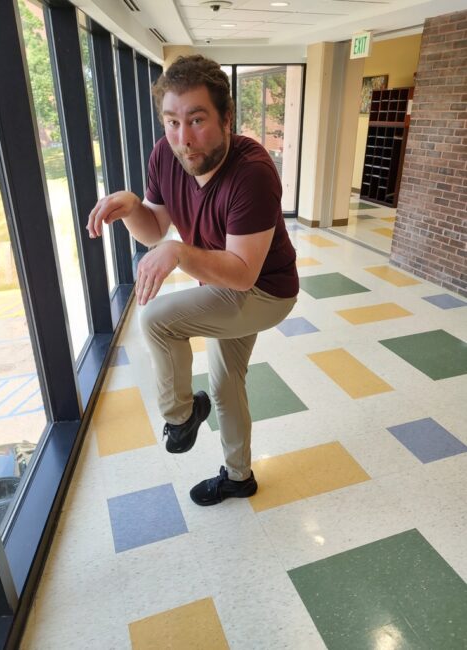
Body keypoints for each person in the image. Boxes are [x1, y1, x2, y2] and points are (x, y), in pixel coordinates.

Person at [87, 55, 299, 506]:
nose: (184, 139)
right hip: (223, 285)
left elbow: (242, 274)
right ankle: (239, 477)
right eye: (172, 122)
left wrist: (181, 252)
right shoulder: (166, 153)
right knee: (225, 384)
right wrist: (130, 208)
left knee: (159, 319)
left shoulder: (253, 173)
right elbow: (153, 230)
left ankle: (181, 416)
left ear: (227, 119)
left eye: (198, 120)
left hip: (266, 290)